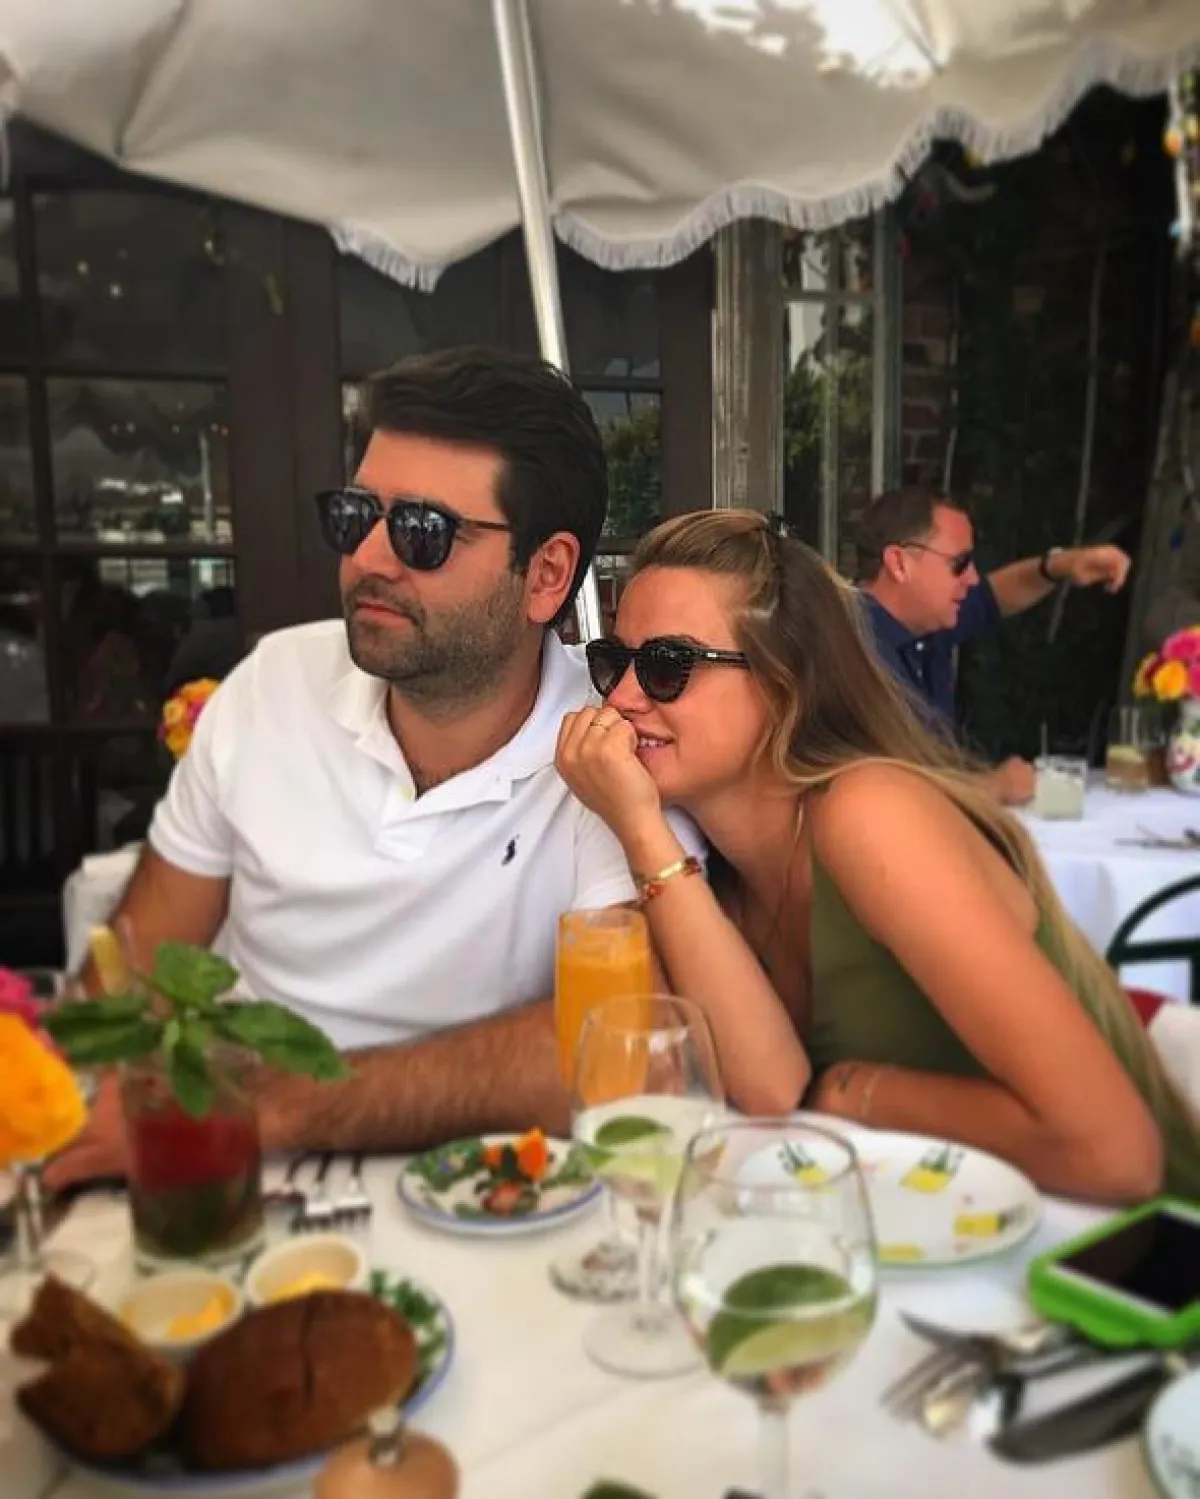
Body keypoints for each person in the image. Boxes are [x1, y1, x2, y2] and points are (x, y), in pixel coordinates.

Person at [47, 345, 709, 1189]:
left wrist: (267, 1107)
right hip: (233, 1183)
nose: (367, 558)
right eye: (356, 515)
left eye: (421, 531)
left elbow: (620, 1048)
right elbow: (133, 975)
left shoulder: (607, 752)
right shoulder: (271, 687)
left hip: (491, 1194)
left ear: (546, 575)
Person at [557, 509, 1200, 1203]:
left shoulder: (869, 814)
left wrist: (852, 1090)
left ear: (784, 682)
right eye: (613, 661)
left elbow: (1116, 1155)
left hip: (1132, 1239)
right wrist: (641, 828)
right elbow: (773, 1088)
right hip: (945, 1231)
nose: (622, 697)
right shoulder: (705, 860)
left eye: (668, 665)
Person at [852, 486, 1131, 805]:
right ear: (900, 564)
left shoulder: (919, 622)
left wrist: (1059, 566)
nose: (971, 577)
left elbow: (992, 597)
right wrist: (992, 787)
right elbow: (881, 796)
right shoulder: (849, 654)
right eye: (960, 563)